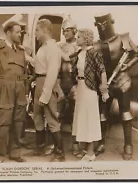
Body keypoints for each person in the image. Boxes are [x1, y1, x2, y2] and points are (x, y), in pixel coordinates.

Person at [93, 13, 138, 160]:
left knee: (125, 113)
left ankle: (128, 144)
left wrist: (126, 66)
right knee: (102, 113)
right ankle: (101, 142)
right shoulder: (96, 45)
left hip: (122, 81)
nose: (102, 27)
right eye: (99, 24)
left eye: (104, 23)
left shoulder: (124, 38)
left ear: (110, 22)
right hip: (105, 82)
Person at [0, 21, 29, 162]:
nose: (20, 34)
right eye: (17, 32)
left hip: (20, 89)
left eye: (20, 32)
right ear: (8, 33)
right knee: (3, 123)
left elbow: (25, 74)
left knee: (18, 122)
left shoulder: (21, 51)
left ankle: (15, 152)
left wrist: (26, 93)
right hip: (4, 89)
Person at [70, 28, 109, 161]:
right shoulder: (79, 53)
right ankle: (85, 150)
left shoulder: (93, 53)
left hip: (89, 89)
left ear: (86, 39)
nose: (76, 39)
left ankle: (91, 153)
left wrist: (104, 88)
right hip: (81, 88)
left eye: (79, 37)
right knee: (81, 118)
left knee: (89, 119)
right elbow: (75, 71)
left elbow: (102, 71)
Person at [31, 18, 65, 162]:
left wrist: (45, 95)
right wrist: (26, 57)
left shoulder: (52, 48)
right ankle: (40, 147)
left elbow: (51, 73)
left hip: (47, 84)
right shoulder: (43, 47)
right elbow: (40, 65)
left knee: (51, 118)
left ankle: (60, 153)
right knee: (37, 116)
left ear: (45, 30)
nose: (35, 34)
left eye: (37, 30)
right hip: (39, 81)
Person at [57, 16, 81, 156]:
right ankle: (56, 146)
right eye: (63, 31)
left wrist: (76, 85)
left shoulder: (79, 46)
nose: (65, 33)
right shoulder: (59, 45)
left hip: (74, 84)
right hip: (61, 83)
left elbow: (71, 59)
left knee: (74, 116)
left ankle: (75, 145)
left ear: (74, 31)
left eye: (67, 30)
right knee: (56, 115)